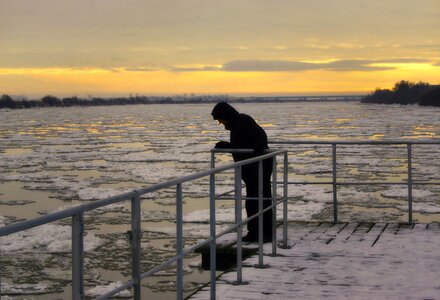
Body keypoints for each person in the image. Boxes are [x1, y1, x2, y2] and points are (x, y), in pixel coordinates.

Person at [211, 102, 273, 243]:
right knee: (259, 200)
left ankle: (259, 233)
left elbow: (260, 137)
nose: (220, 123)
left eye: (220, 119)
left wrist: (258, 151)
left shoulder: (242, 121)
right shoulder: (238, 124)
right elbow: (243, 144)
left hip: (258, 168)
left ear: (226, 115)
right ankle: (263, 232)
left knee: (256, 201)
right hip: (255, 168)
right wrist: (228, 146)